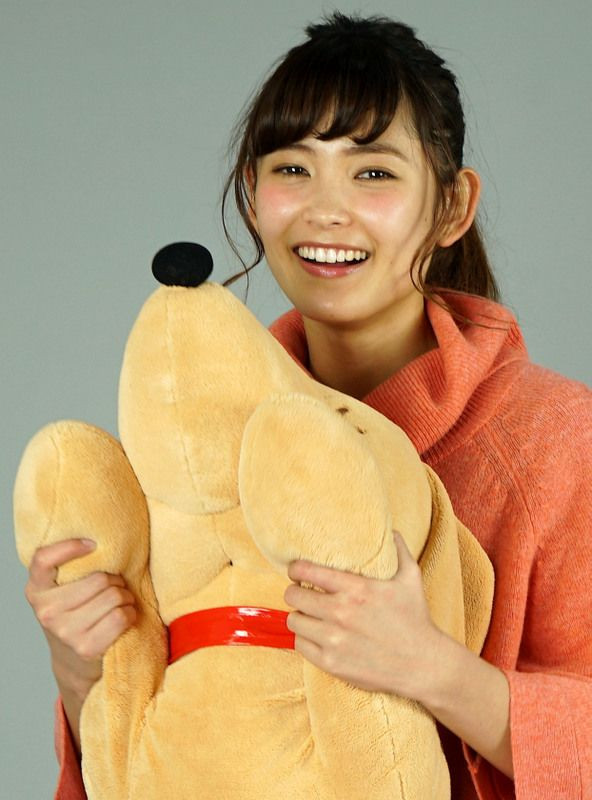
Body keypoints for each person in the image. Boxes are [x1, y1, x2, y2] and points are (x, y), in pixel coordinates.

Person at [24, 12, 591, 800]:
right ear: (253, 195)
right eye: (292, 168)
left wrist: (432, 668)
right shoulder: (203, 442)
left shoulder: (558, 440)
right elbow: (173, 747)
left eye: (373, 173)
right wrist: (85, 670)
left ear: (452, 207)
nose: (327, 208)